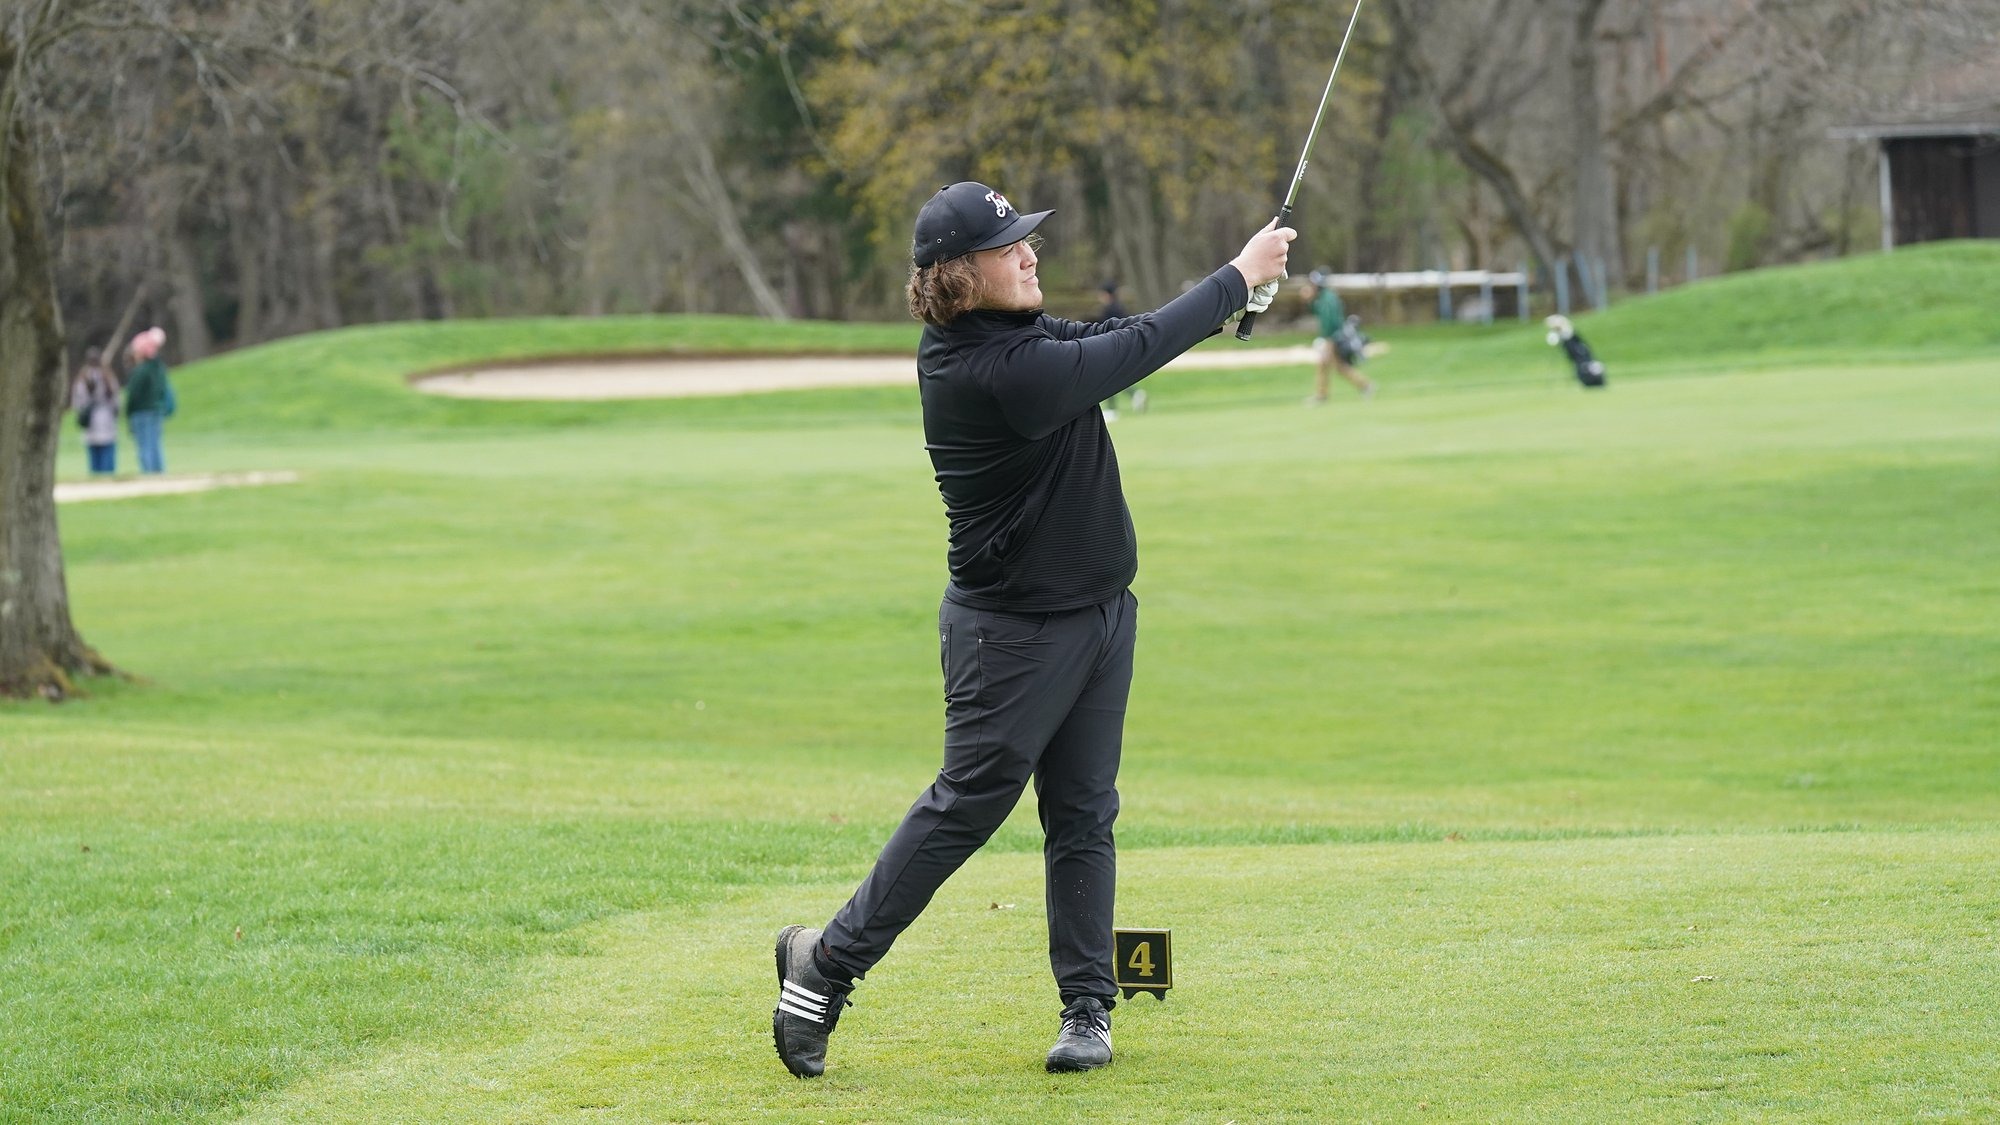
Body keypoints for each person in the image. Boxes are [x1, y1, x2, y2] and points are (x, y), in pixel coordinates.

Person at [771, 181, 1290, 1078]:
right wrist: (1234, 279)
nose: (1031, 253)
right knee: (969, 803)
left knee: (1084, 811)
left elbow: (1107, 343)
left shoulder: (1016, 338)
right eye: (1010, 246)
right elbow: (1124, 352)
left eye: (1027, 242)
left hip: (1098, 615)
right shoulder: (988, 372)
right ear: (961, 276)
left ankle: (1088, 1006)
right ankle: (825, 966)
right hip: (1011, 634)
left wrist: (1222, 304)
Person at [1302, 270, 1374, 404]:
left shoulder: (1327, 299)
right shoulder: (1323, 297)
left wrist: (1325, 339)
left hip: (1333, 337)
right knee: (1336, 366)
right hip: (1331, 337)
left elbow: (1330, 321)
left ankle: (1322, 395)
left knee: (1327, 365)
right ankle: (1364, 385)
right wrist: (1310, 301)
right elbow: (1316, 312)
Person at [1091, 281, 1147, 418]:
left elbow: (1106, 329)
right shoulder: (1118, 307)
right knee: (1112, 377)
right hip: (1119, 346)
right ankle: (1134, 395)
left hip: (1113, 347)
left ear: (1106, 294)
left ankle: (1113, 409)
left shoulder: (1110, 309)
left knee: (1107, 378)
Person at [123, 327, 173, 474]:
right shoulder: (159, 368)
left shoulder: (141, 370)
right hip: (157, 410)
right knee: (155, 444)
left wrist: (128, 412)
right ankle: (159, 473)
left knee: (145, 446)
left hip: (142, 412)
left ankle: (149, 474)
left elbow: (133, 395)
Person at [71, 347, 121, 476]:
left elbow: (78, 401)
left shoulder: (83, 377)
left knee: (95, 451)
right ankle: (107, 475)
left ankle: (97, 475)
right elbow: (116, 399)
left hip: (93, 419)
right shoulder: (107, 376)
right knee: (106, 449)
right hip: (106, 417)